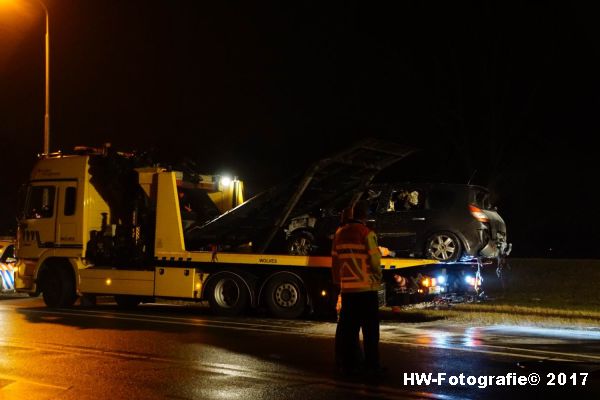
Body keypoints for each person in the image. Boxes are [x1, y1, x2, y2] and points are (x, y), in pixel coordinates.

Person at [331, 200, 383, 376]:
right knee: (370, 332)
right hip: (366, 290)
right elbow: (375, 261)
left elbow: (335, 262)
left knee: (349, 330)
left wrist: (340, 283)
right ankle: (372, 366)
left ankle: (347, 365)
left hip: (348, 291)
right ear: (365, 216)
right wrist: (378, 277)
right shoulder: (366, 233)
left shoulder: (339, 234)